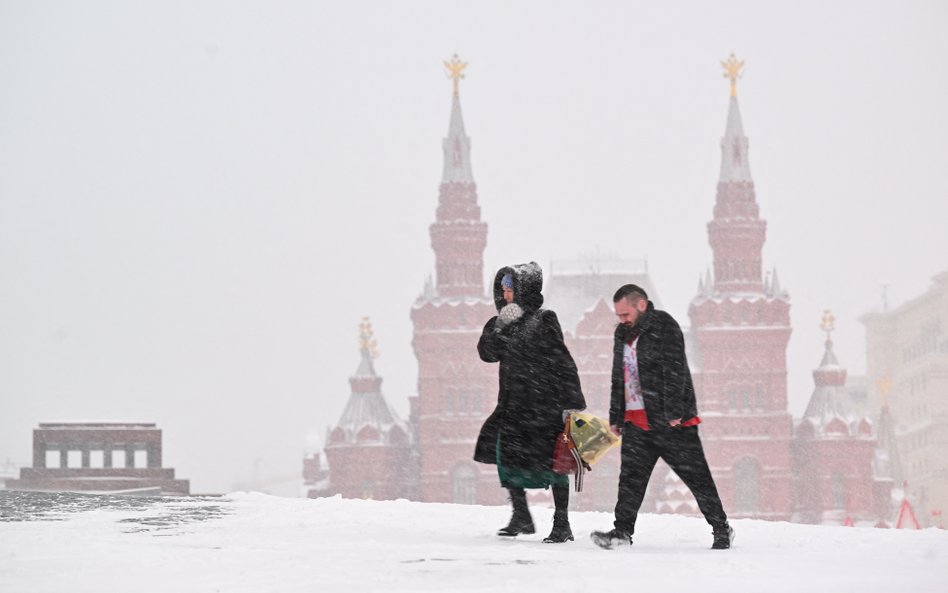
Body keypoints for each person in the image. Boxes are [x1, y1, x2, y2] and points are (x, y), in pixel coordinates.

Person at [590, 284, 734, 550]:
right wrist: (616, 416)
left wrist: (673, 412)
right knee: (630, 480)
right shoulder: (622, 334)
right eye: (618, 315)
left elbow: (675, 368)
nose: (621, 320)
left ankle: (721, 528)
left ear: (641, 304)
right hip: (636, 421)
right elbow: (617, 377)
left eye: (625, 313)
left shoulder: (664, 325)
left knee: (696, 477)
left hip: (672, 423)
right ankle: (622, 532)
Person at [474, 262, 586, 543]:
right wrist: (500, 326)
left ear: (525, 289)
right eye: (503, 289)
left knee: (556, 463)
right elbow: (487, 353)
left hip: (544, 406)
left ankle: (562, 522)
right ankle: (521, 515)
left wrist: (572, 402)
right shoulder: (500, 322)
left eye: (510, 288)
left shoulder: (544, 319)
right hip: (512, 407)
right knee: (507, 459)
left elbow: (563, 360)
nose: (506, 294)